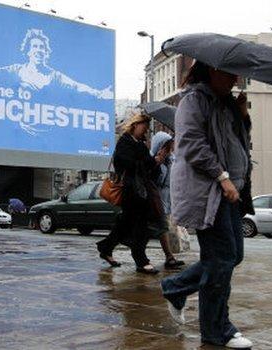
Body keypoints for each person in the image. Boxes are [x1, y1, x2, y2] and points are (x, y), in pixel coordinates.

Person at [160, 61, 255, 349]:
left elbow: (238, 142)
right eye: (230, 72)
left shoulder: (226, 103)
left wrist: (242, 116)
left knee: (231, 256)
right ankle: (217, 331)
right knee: (221, 260)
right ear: (213, 70)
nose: (236, 77)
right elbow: (190, 144)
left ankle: (175, 288)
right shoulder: (194, 100)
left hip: (231, 193)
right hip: (209, 192)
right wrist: (222, 176)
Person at [0, 28, 113, 99]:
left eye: (42, 47)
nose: (38, 50)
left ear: (46, 52)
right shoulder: (16, 70)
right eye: (35, 46)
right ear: (28, 50)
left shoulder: (54, 75)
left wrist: (98, 93)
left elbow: (77, 86)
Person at [96, 113, 164, 274]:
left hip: (141, 191)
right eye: (144, 126)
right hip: (130, 191)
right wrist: (147, 160)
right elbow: (125, 163)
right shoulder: (124, 142)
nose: (146, 130)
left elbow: (147, 166)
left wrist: (156, 161)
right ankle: (141, 260)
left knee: (126, 224)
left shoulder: (140, 144)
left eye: (147, 127)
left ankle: (106, 248)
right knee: (140, 225)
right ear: (135, 125)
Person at [148, 131, 185, 269]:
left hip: (168, 198)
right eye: (166, 145)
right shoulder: (152, 159)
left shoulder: (172, 159)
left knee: (157, 228)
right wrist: (158, 163)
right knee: (162, 227)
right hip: (156, 198)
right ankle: (169, 257)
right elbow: (154, 180)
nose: (169, 148)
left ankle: (109, 247)